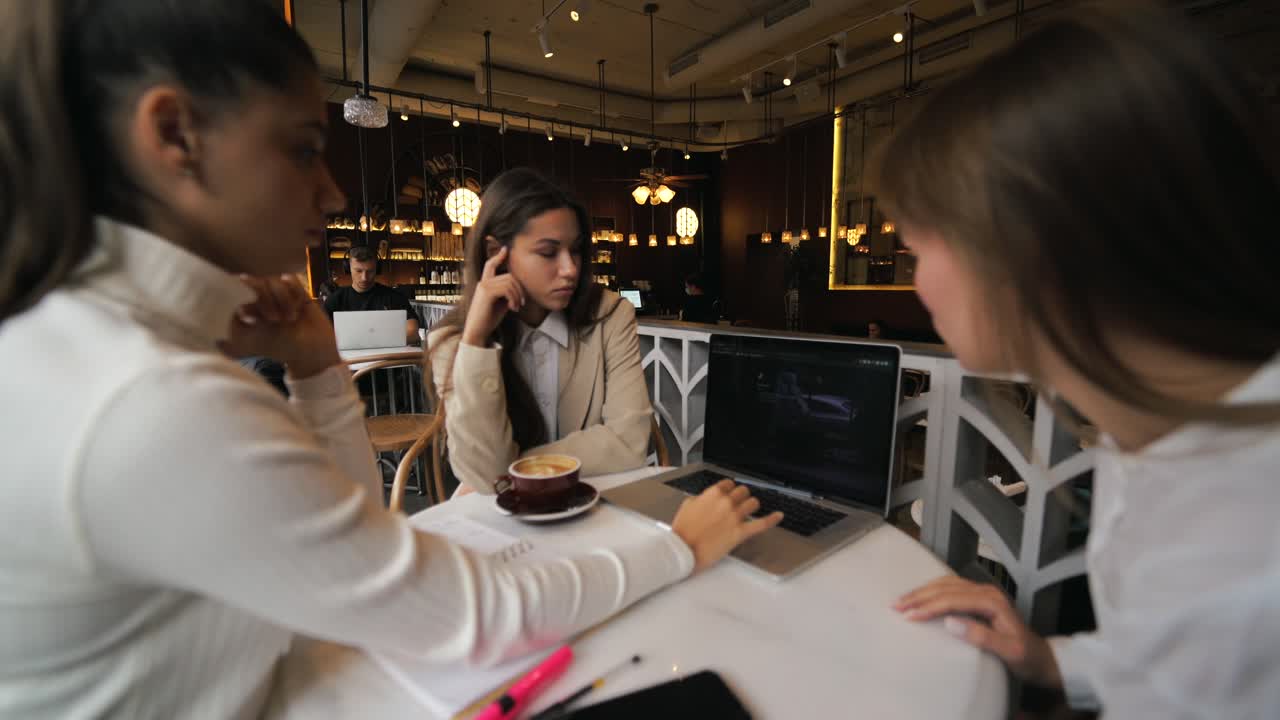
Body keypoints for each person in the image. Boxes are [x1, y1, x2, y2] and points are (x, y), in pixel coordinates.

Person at [0, 3, 781, 717]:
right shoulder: (151, 398)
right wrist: (675, 547)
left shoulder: (95, 352)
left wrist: (314, 366)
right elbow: (471, 612)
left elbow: (359, 546)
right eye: (305, 148)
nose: (334, 192)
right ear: (174, 135)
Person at [874, 3, 1280, 716]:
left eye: (918, 245)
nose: (915, 283)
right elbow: (1161, 660)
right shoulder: (1157, 429)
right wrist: (1051, 658)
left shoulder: (1246, 544)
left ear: (1037, 247)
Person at [429, 168, 668, 493]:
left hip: (591, 504)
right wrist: (476, 342)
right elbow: (485, 476)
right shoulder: (454, 343)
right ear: (494, 254)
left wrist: (513, 468)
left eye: (577, 250)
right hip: (499, 520)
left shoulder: (610, 315)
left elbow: (629, 443)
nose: (570, 269)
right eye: (548, 252)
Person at [324, 243, 419, 344]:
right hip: (347, 359)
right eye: (358, 271)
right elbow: (321, 337)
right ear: (348, 269)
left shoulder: (394, 297)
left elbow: (413, 333)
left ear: (377, 270)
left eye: (370, 271)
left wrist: (380, 342)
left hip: (386, 357)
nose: (364, 278)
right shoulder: (335, 300)